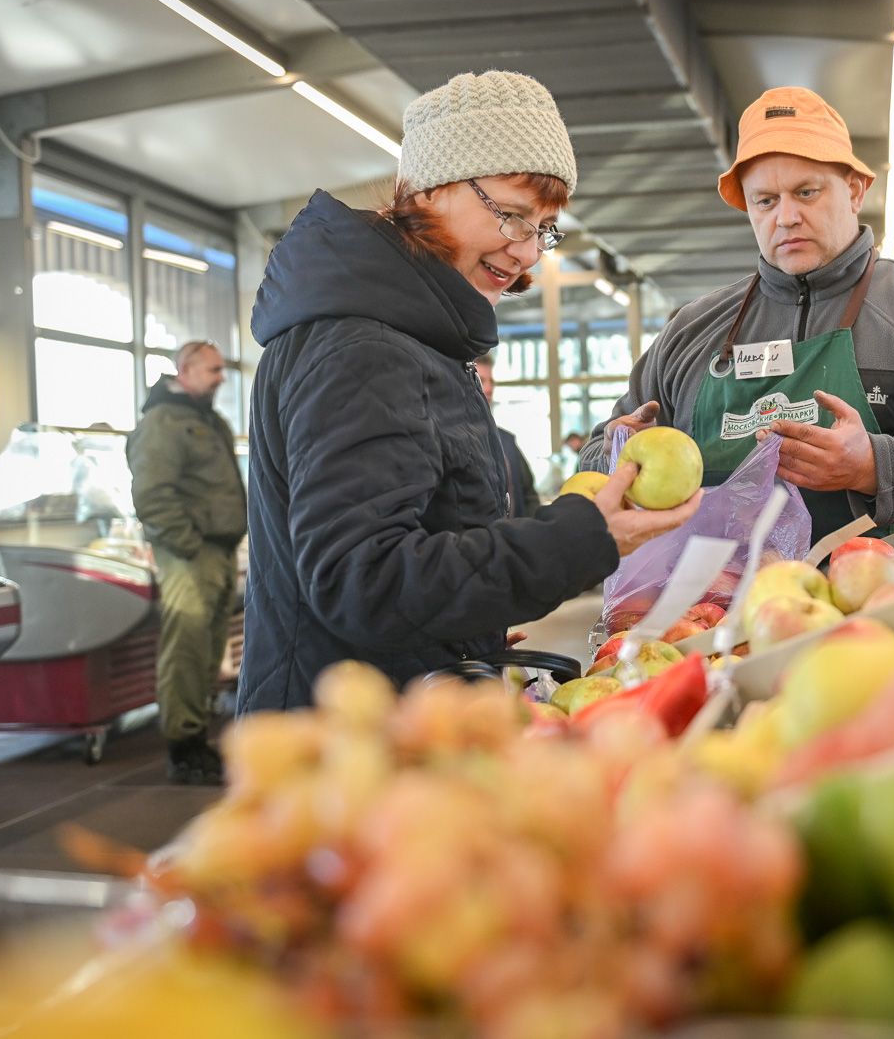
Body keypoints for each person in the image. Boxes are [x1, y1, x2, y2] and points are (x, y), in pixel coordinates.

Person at [239, 70, 699, 712]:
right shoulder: (365, 347)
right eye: (511, 216)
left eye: (543, 228)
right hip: (350, 741)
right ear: (429, 187)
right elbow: (361, 582)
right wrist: (581, 538)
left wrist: (465, 627)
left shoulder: (410, 335)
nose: (528, 252)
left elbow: (411, 540)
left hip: (394, 710)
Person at [579, 86, 894, 539]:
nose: (786, 217)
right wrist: (617, 454)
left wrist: (875, 465)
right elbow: (600, 451)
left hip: (888, 597)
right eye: (765, 201)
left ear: (854, 191)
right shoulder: (691, 330)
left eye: (806, 192)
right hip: (717, 605)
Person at [127, 340, 245, 784]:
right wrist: (188, 544)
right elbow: (152, 493)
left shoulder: (205, 419)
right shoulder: (164, 422)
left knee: (207, 649)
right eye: (213, 370)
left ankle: (197, 737)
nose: (220, 378)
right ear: (186, 369)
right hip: (189, 553)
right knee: (187, 648)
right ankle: (184, 746)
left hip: (215, 550)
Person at [472, 350, 540, 517]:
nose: (488, 388)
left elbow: (528, 494)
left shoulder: (506, 441)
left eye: (491, 381)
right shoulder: (452, 438)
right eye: (481, 380)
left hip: (515, 538)